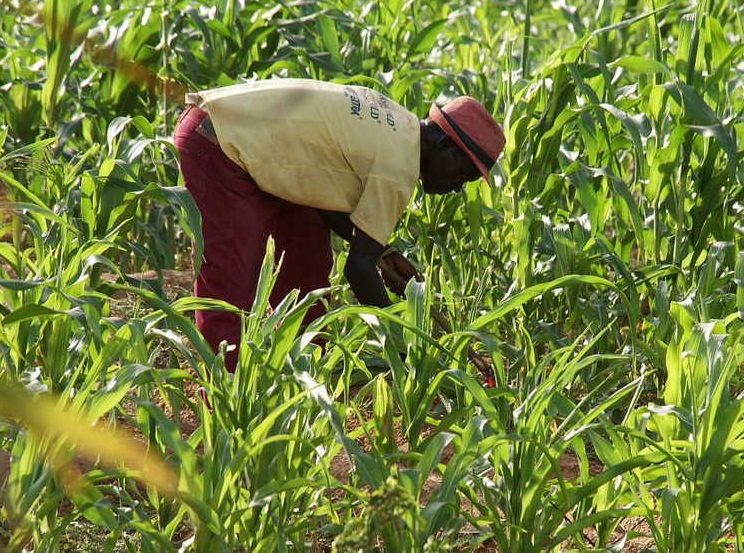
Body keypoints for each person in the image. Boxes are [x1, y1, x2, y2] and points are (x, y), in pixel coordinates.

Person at [173, 78, 505, 371]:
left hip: (264, 152)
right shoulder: (398, 167)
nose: (458, 185)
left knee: (306, 276)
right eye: (463, 173)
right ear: (444, 145)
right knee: (229, 292)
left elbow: (326, 191)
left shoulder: (401, 125)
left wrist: (382, 253)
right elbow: (358, 270)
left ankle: (300, 377)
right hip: (222, 144)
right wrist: (406, 348)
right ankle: (225, 406)